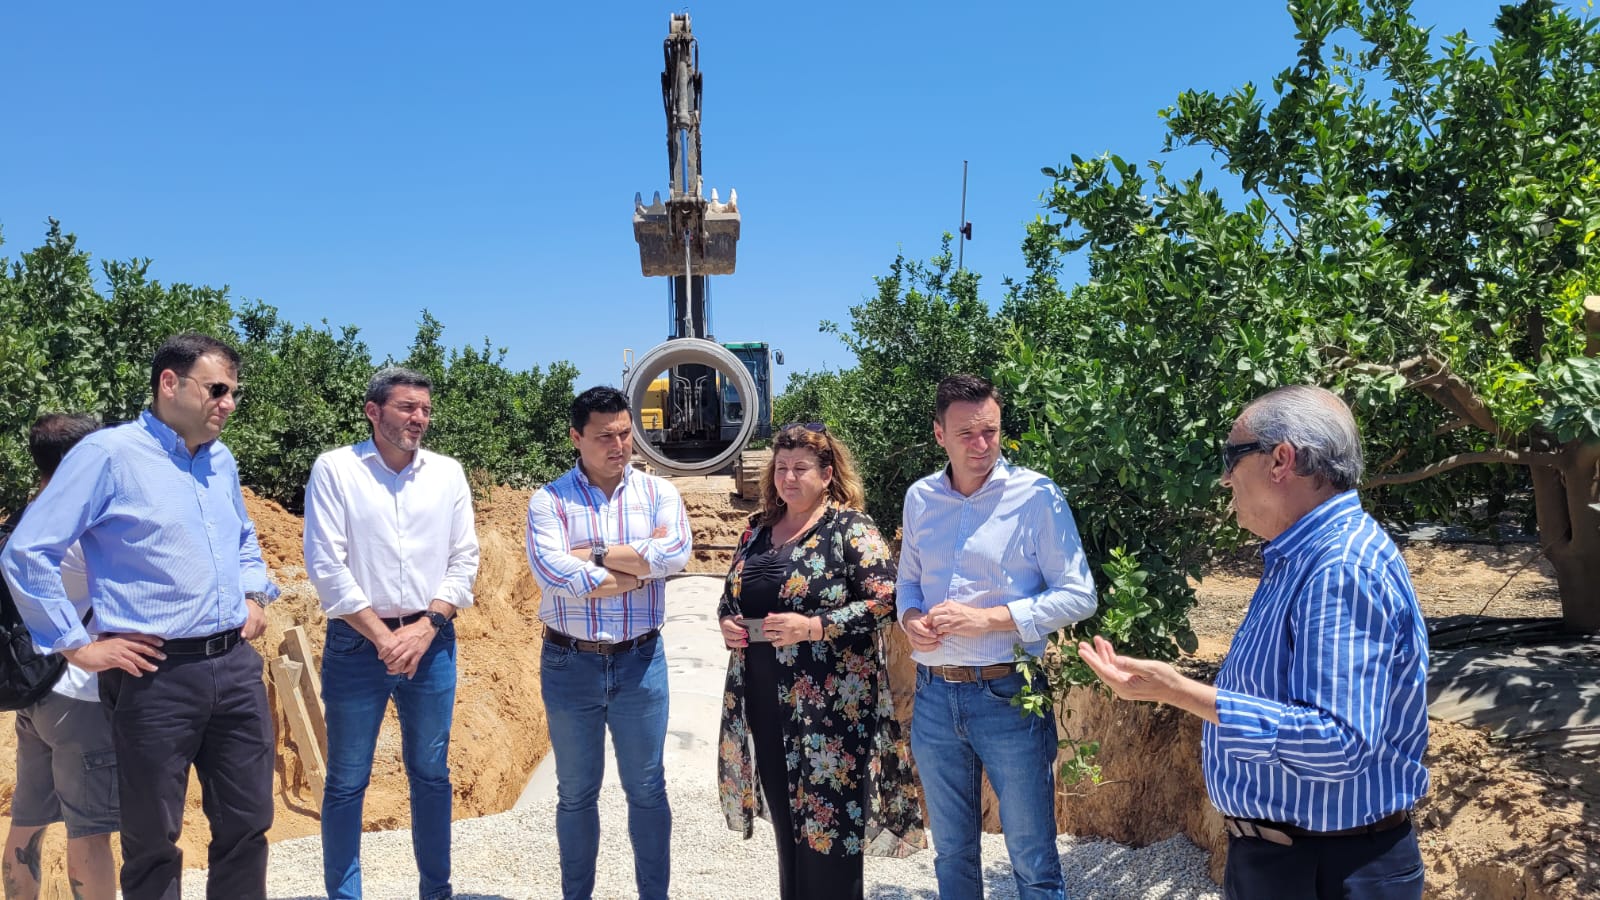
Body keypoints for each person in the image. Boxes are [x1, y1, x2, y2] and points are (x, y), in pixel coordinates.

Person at [1078, 385, 1428, 900]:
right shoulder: (1302, 555)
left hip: (1329, 869)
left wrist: (1179, 692)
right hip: (1293, 860)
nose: (1224, 477)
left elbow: (1340, 742)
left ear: (1281, 459)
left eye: (1232, 456)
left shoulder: (1339, 566)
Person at [0, 332, 279, 900]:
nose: (228, 403)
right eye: (217, 389)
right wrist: (75, 645)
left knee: (247, 827)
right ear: (168, 383)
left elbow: (245, 539)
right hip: (154, 676)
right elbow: (28, 551)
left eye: (234, 393)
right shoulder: (109, 456)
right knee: (152, 841)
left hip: (235, 668)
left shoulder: (221, 461)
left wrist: (254, 594)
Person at [897, 373, 1098, 900]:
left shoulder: (1036, 497)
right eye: (966, 434)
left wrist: (988, 619)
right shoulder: (920, 498)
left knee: (1033, 859)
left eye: (990, 431)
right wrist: (910, 615)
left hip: (1008, 695)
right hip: (935, 695)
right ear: (938, 434)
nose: (982, 445)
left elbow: (1079, 595)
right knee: (952, 855)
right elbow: (909, 582)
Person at [715, 422, 925, 900]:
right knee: (789, 831)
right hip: (766, 701)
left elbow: (885, 601)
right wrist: (727, 622)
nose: (789, 478)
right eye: (782, 468)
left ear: (827, 474)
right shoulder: (757, 532)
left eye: (801, 469)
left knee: (830, 835)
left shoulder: (851, 529)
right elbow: (733, 597)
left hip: (832, 711)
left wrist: (814, 627)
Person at [303, 367, 480, 900]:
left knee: (431, 772)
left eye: (425, 409)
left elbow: (464, 559)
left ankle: (437, 891)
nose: (419, 419)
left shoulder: (448, 474)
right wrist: (384, 638)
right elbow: (326, 565)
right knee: (347, 778)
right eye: (407, 407)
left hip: (432, 641)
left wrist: (427, 627)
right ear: (373, 411)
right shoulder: (336, 470)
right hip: (359, 644)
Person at [524, 386, 693, 900]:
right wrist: (636, 572)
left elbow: (677, 553)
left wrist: (594, 552)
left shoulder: (659, 494)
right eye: (605, 437)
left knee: (646, 790)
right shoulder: (548, 500)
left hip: (641, 662)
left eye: (625, 433)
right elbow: (553, 571)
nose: (619, 445)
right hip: (569, 664)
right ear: (576, 437)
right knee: (575, 795)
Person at [1, 413, 117, 900]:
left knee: (27, 821)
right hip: (79, 695)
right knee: (89, 831)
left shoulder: (24, 521)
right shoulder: (82, 531)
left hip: (34, 692)